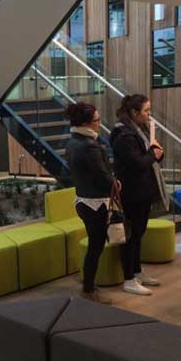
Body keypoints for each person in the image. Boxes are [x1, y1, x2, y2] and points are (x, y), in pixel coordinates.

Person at [110, 94, 167, 296]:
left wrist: (156, 153)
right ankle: (128, 279)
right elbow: (138, 164)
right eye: (146, 111)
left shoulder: (138, 131)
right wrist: (153, 154)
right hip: (132, 193)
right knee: (130, 236)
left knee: (138, 234)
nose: (149, 115)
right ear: (134, 113)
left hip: (142, 192)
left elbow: (149, 159)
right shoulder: (123, 135)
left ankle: (137, 271)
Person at [66, 102, 116, 304]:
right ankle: (88, 290)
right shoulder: (89, 146)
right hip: (96, 203)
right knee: (95, 247)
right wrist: (115, 182)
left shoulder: (73, 141)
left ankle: (89, 283)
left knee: (94, 245)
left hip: (83, 201)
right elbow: (104, 178)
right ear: (87, 123)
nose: (99, 124)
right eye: (97, 120)